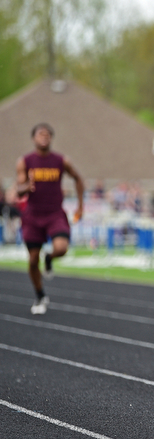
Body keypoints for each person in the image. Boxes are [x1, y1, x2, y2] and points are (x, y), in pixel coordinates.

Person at [16, 123, 85, 315]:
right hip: (33, 215)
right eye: (40, 134)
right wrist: (26, 186)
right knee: (31, 260)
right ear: (34, 138)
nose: (44, 137)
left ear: (51, 138)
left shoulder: (61, 161)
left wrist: (80, 205)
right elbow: (18, 189)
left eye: (47, 135)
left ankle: (49, 258)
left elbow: (78, 179)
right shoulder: (25, 161)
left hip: (54, 214)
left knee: (61, 248)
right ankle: (39, 295)